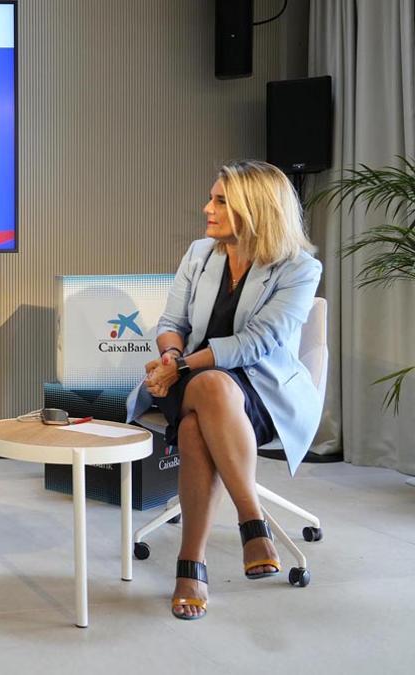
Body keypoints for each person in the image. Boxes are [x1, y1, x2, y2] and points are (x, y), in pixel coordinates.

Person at [126, 159, 322, 620]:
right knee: (210, 387)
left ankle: (190, 567)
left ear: (254, 211)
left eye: (219, 201)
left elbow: (258, 343)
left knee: (196, 430)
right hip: (190, 380)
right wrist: (172, 358)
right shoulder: (200, 253)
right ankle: (252, 522)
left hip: (262, 390)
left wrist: (184, 365)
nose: (206, 208)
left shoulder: (299, 268)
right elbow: (172, 324)